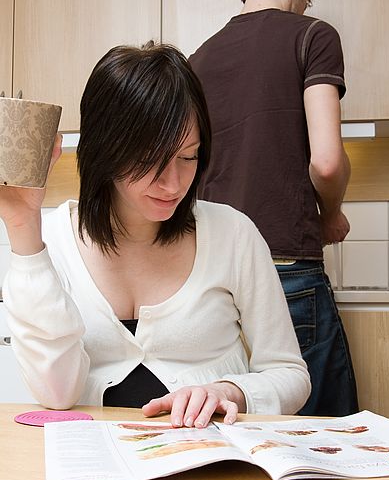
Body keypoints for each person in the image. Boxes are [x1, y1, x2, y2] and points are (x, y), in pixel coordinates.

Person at [0, 41, 311, 428]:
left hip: (212, 460)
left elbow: (291, 375)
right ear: (104, 151)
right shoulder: (56, 240)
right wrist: (22, 224)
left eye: (188, 156)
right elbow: (56, 394)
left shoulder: (233, 233)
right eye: (150, 161)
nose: (173, 184)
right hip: (96, 464)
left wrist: (229, 391)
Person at [189, 0, 358, 416]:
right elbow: (326, 160)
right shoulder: (313, 36)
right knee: (323, 442)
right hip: (287, 269)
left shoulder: (196, 60)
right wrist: (331, 215)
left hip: (213, 281)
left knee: (238, 438)